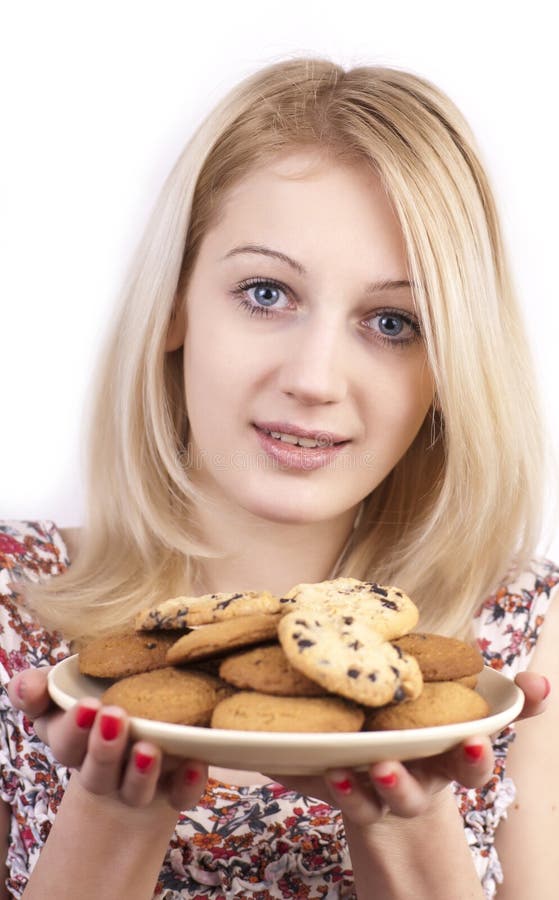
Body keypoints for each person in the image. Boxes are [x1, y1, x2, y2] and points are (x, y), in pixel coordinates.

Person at [0, 56, 557, 900]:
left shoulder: (516, 640)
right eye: (266, 292)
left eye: (393, 320)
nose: (315, 377)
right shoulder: (14, 605)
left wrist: (408, 833)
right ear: (176, 303)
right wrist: (115, 817)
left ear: (451, 365)